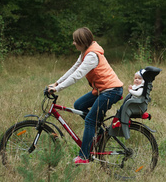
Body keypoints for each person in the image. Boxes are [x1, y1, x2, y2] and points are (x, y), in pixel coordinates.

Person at [48, 27, 123, 164]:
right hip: (103, 90)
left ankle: (83, 156)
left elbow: (77, 76)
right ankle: (99, 132)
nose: (73, 43)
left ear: (82, 42)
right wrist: (57, 83)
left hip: (111, 91)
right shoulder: (85, 53)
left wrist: (58, 89)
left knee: (89, 120)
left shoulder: (91, 56)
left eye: (75, 41)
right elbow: (74, 69)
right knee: (79, 105)